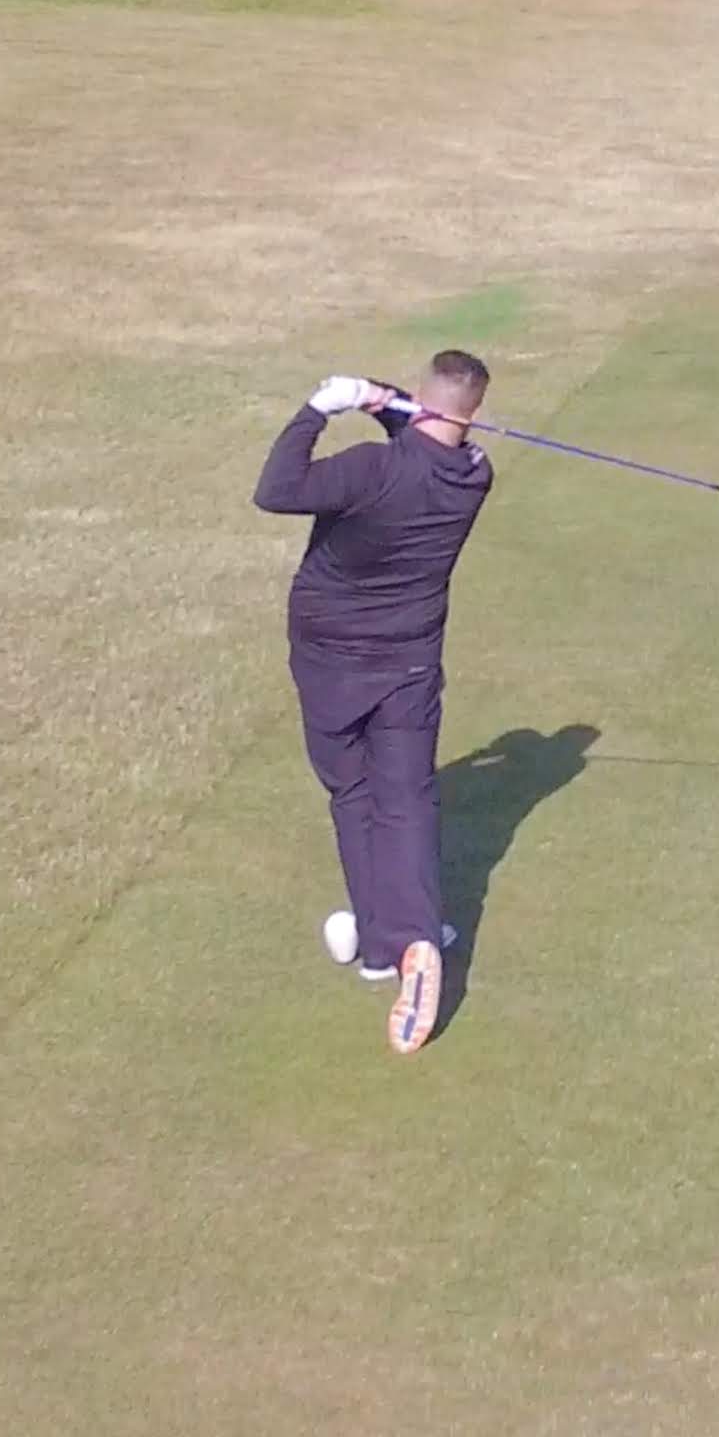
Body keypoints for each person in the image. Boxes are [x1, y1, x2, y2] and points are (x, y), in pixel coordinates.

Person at [255, 350, 499, 1053]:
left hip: (331, 660)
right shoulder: (473, 474)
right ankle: (401, 938)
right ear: (471, 409)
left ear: (424, 397)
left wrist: (317, 410)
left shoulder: (370, 469)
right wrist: (375, 398)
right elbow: (417, 436)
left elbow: (275, 489)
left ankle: (387, 940)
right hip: (410, 662)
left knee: (354, 794)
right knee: (408, 799)